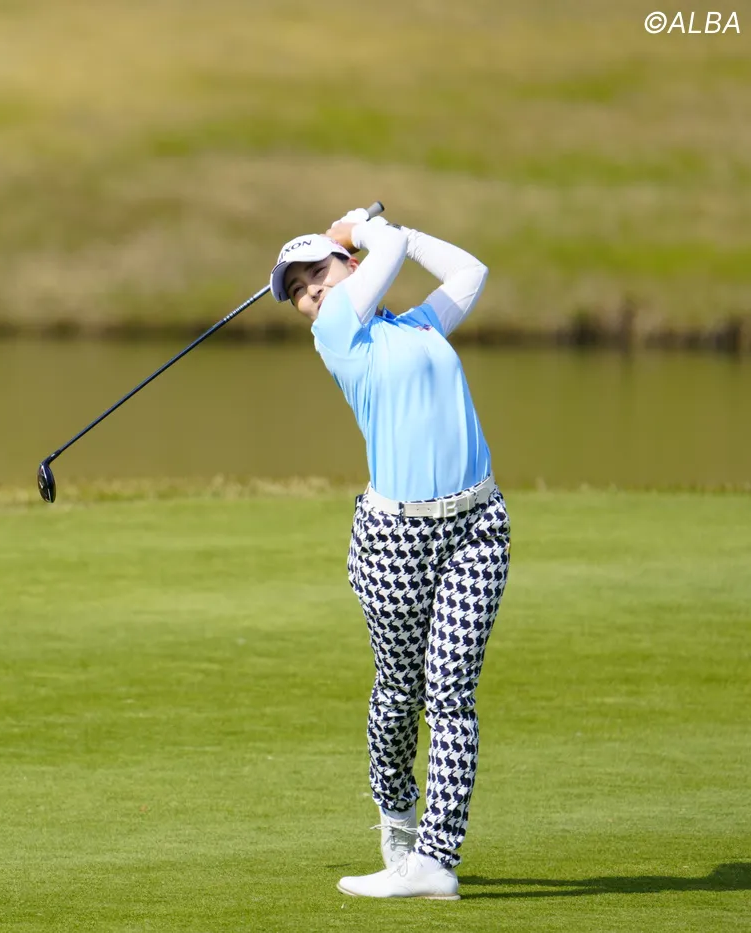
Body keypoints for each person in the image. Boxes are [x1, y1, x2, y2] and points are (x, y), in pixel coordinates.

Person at [269, 208, 512, 900]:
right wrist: (359, 229)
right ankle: (398, 821)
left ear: (348, 268)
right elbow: (393, 246)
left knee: (451, 694)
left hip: (476, 527)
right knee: (400, 692)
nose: (310, 292)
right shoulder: (335, 332)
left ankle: (435, 859)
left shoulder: (419, 326)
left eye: (318, 273)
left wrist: (376, 233)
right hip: (393, 540)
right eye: (298, 290)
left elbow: (470, 271)